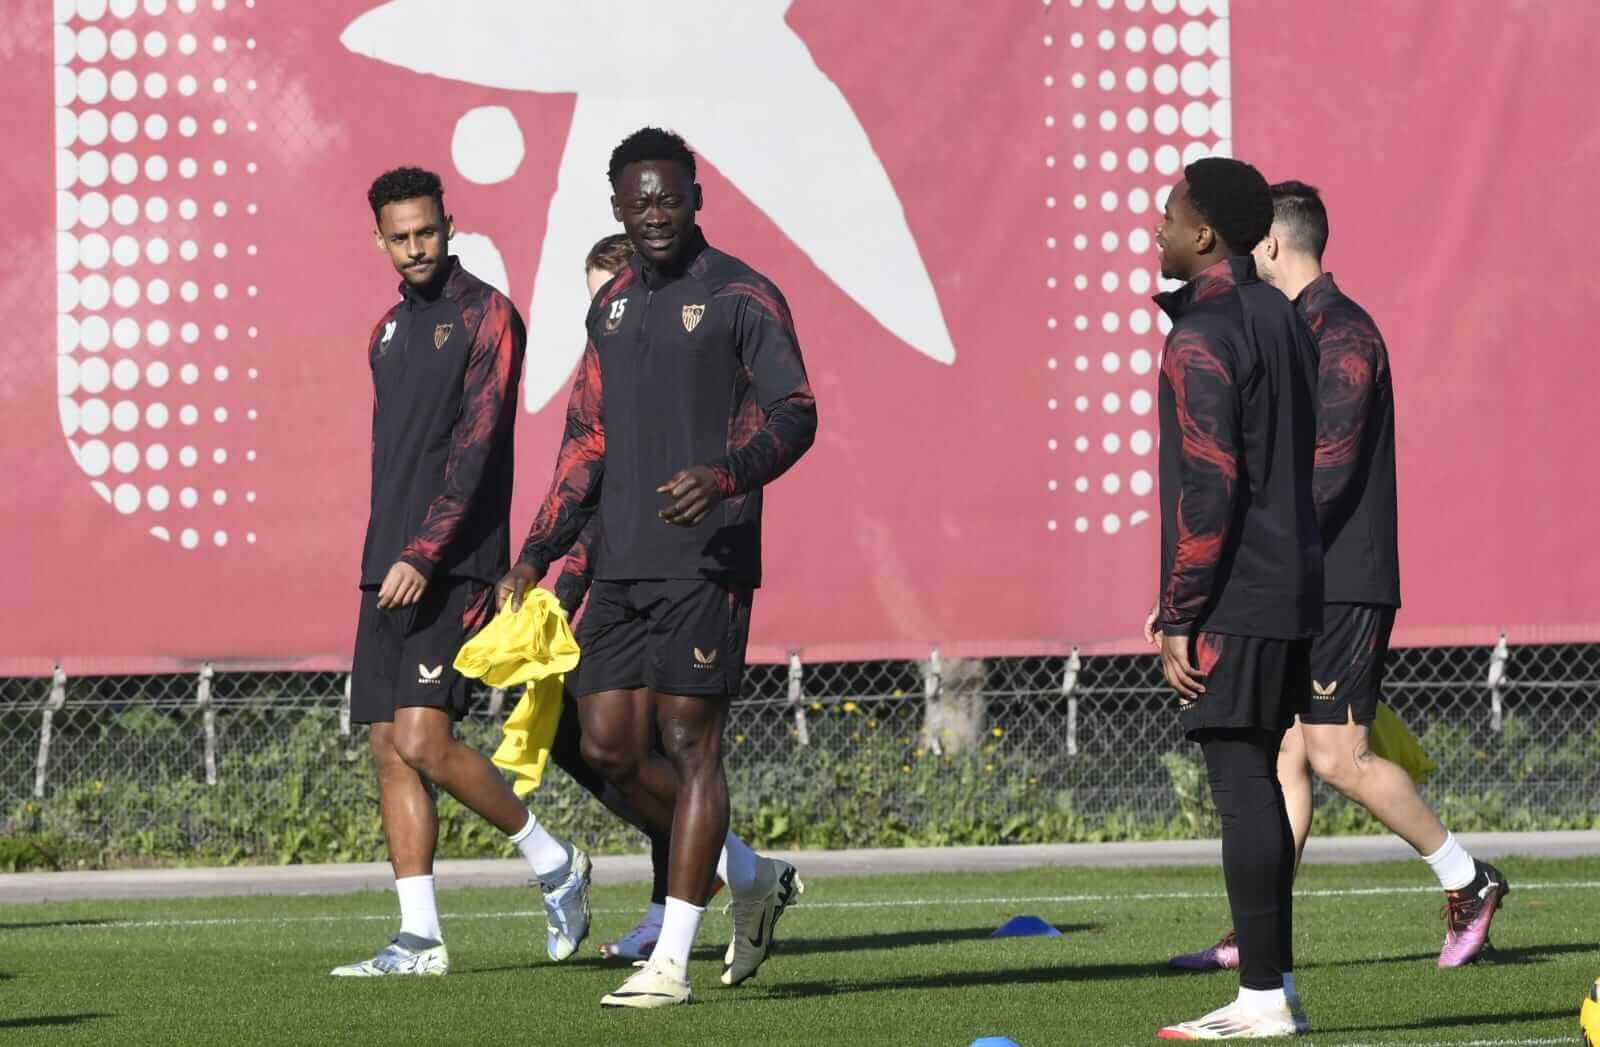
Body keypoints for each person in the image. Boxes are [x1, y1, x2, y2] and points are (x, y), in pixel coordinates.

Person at [501, 127, 816, 1008]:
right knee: (605, 744)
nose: (656, 214)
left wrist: (725, 477)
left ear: (697, 197)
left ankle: (670, 958)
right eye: (638, 202)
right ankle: (750, 878)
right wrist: (535, 551)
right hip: (623, 565)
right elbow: (586, 440)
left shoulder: (743, 295)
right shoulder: (610, 309)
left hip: (708, 560)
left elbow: (796, 412)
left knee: (690, 742)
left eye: (669, 197)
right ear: (615, 211)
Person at [1168, 181, 1509, 976]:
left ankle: (1467, 877)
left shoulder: (1342, 331)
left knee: (1336, 756)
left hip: (1341, 579)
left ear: (1274, 247)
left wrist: (1247, 555)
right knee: (1282, 758)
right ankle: (1257, 934)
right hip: (1298, 577)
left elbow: (1328, 472)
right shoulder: (1289, 326)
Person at [331, 167, 591, 977]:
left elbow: (476, 457)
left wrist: (425, 554)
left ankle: (557, 864)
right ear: (380, 239)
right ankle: (420, 937)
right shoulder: (383, 333)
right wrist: (391, 557)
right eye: (400, 237)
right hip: (389, 567)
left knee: (424, 737)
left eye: (427, 232)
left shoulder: (489, 316)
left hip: (452, 568)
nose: (416, 248)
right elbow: (394, 462)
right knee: (386, 745)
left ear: (450, 224)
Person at [1146, 158, 1322, 1039]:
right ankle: (1275, 985)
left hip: (1238, 594)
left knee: (1243, 781)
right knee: (1256, 774)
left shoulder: (1205, 332)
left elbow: (1210, 488)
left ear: (1205, 233)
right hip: (1290, 585)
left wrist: (1180, 609)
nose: (1157, 227)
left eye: (1170, 214)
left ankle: (1259, 998)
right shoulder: (1284, 318)